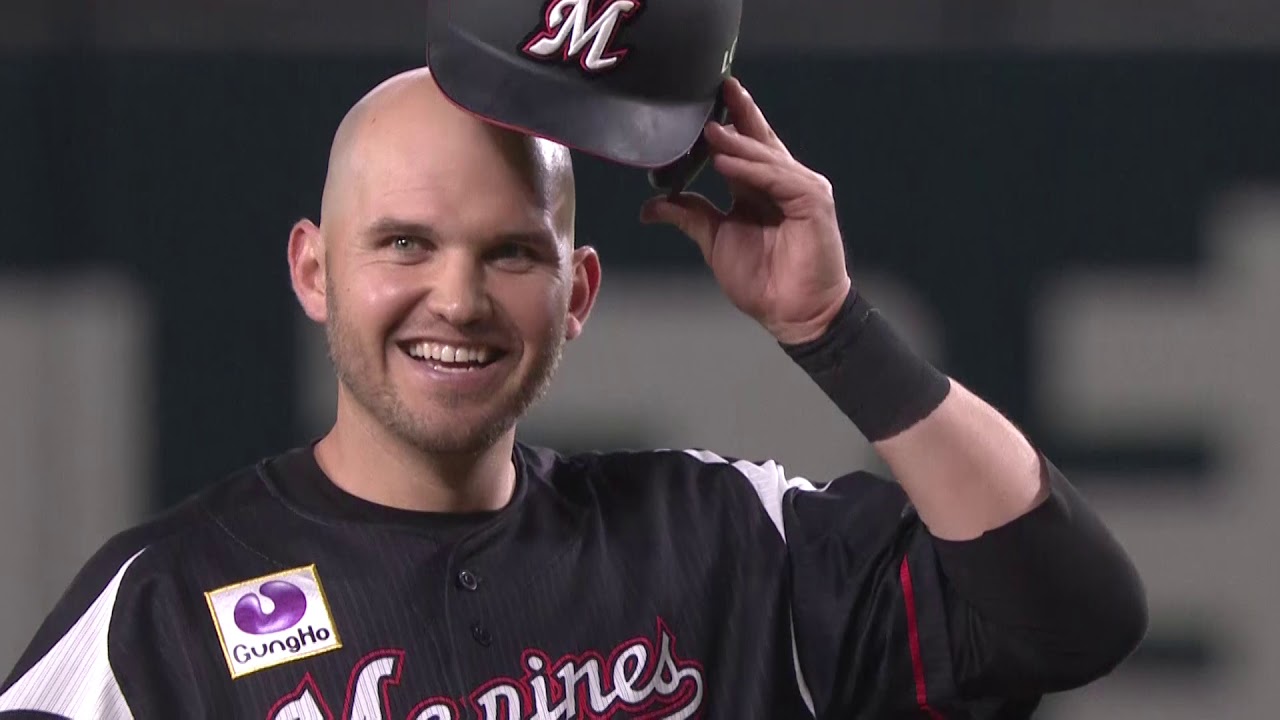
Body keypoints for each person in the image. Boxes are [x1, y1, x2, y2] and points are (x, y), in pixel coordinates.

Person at [0, 67, 1145, 719]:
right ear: (313, 269)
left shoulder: (714, 542)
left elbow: (1067, 614)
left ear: (577, 292)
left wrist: (831, 328)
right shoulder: (165, 610)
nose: (457, 299)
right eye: (404, 243)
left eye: (510, 253)